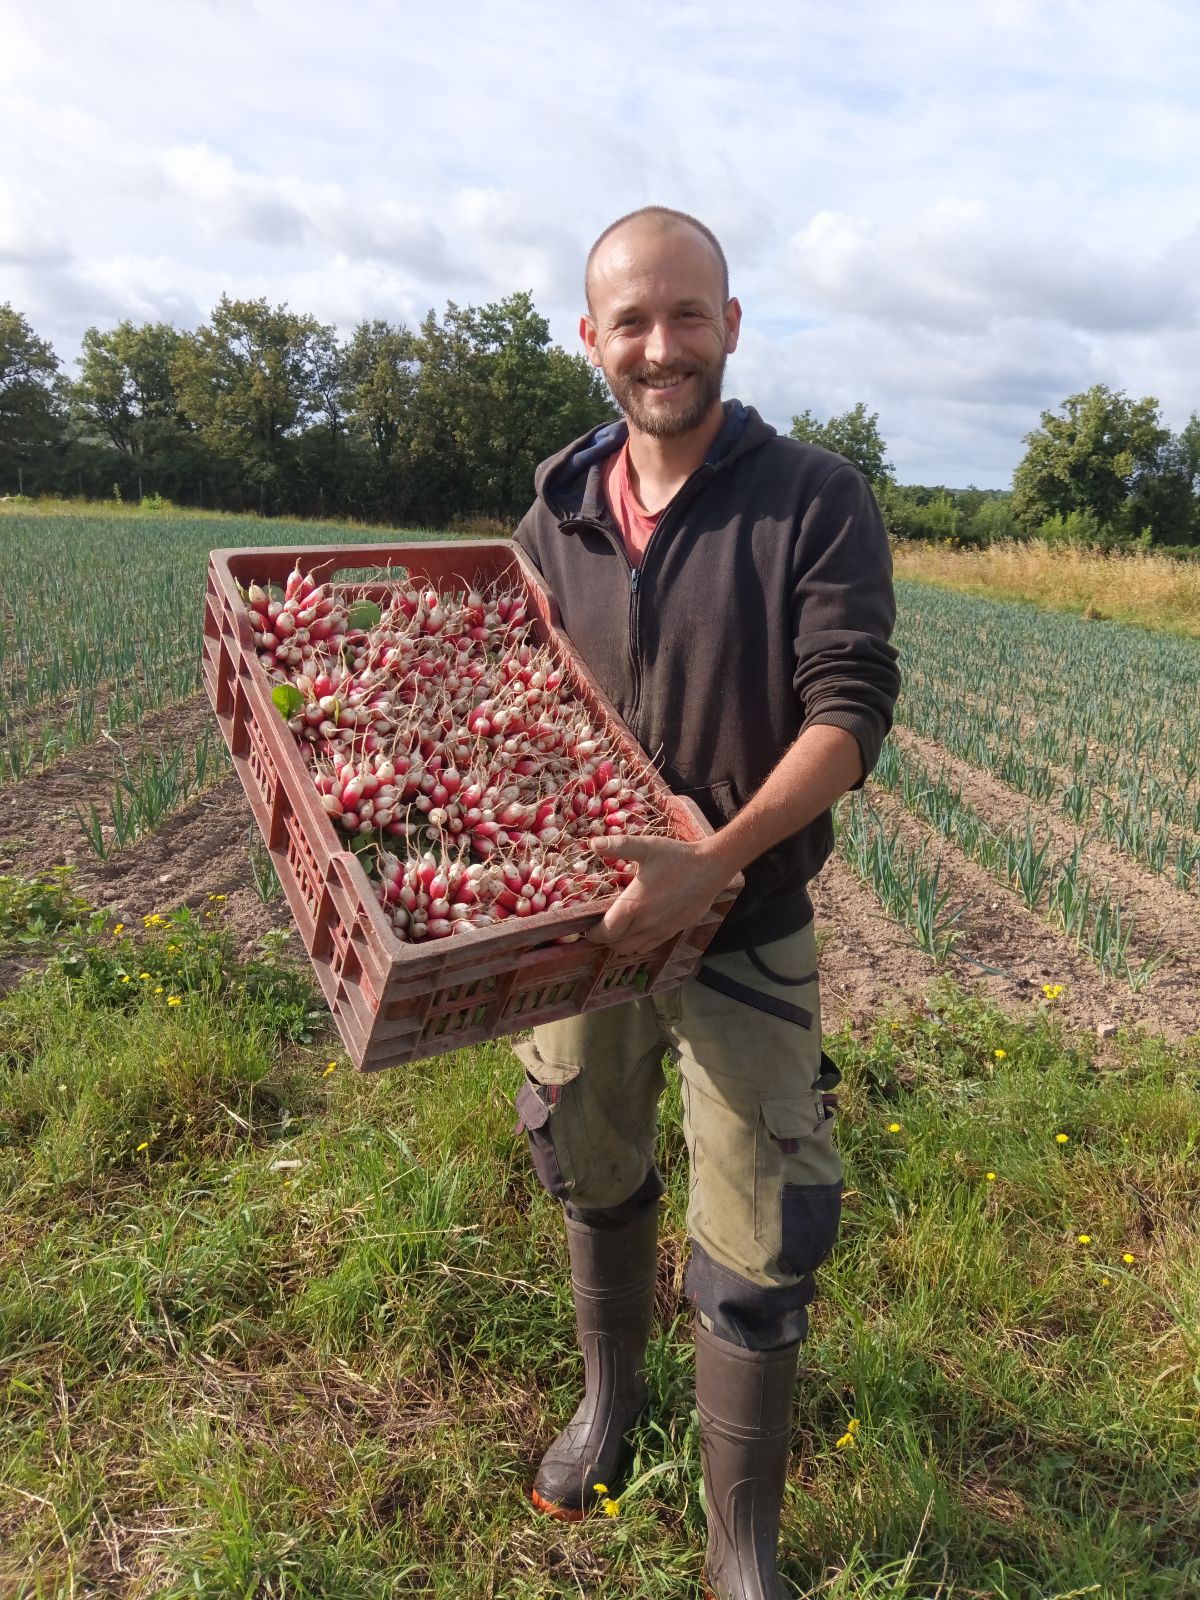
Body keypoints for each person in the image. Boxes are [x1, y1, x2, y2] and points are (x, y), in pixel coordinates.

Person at [511, 205, 900, 1600]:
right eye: (633, 320)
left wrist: (718, 854)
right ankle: (613, 1409)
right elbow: (520, 696)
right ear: (592, 341)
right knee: (588, 1156)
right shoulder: (556, 505)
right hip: (586, 935)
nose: (661, 345)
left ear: (730, 326)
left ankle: (743, 1549)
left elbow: (850, 713)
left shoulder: (811, 497)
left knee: (759, 1219)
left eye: (688, 315)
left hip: (743, 924)